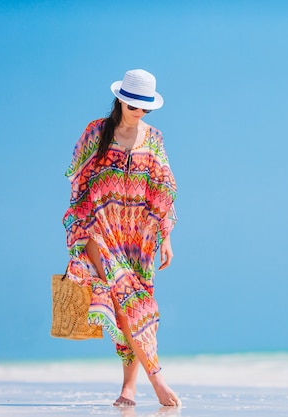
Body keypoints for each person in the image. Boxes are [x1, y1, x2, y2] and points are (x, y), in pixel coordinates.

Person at [62, 69, 181, 407]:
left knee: (131, 306)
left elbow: (162, 191)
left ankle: (129, 387)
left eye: (146, 108)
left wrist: (167, 238)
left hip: (138, 237)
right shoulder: (96, 132)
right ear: (121, 100)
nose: (140, 113)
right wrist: (80, 230)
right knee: (124, 300)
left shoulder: (153, 137)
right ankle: (157, 381)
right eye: (134, 106)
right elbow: (78, 184)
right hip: (100, 230)